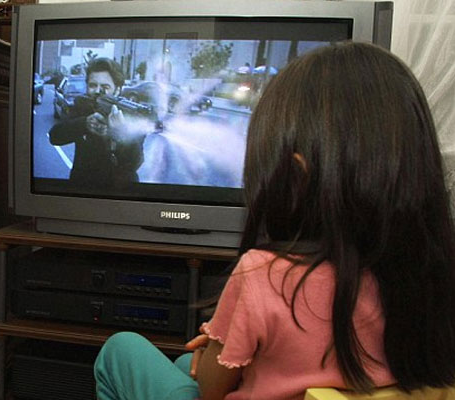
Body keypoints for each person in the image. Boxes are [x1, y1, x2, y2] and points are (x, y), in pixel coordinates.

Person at [94, 42, 455, 400]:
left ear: (298, 177)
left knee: (121, 349)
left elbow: (209, 389)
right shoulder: (430, 273)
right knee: (179, 364)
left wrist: (215, 349)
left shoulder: (264, 276)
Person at [49, 57, 148, 188]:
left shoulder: (130, 114)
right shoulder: (83, 106)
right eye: (92, 85)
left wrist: (121, 134)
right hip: (83, 188)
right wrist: (84, 123)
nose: (97, 91)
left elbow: (134, 163)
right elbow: (55, 136)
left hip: (121, 192)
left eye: (105, 87)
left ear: (118, 89)